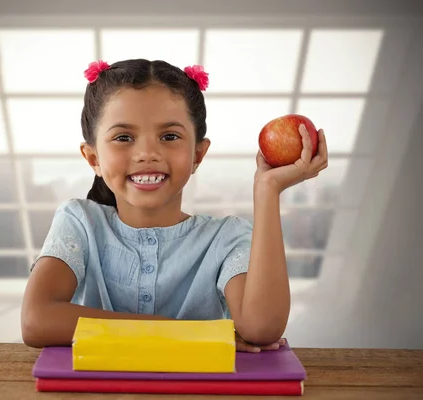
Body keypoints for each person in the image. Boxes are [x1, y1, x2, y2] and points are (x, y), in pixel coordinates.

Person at [21, 59, 328, 352]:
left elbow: (261, 329)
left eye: (169, 136)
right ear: (93, 158)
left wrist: (267, 190)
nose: (148, 153)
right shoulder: (79, 221)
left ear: (198, 155)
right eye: (124, 137)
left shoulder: (226, 239)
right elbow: (36, 321)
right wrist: (184, 333)